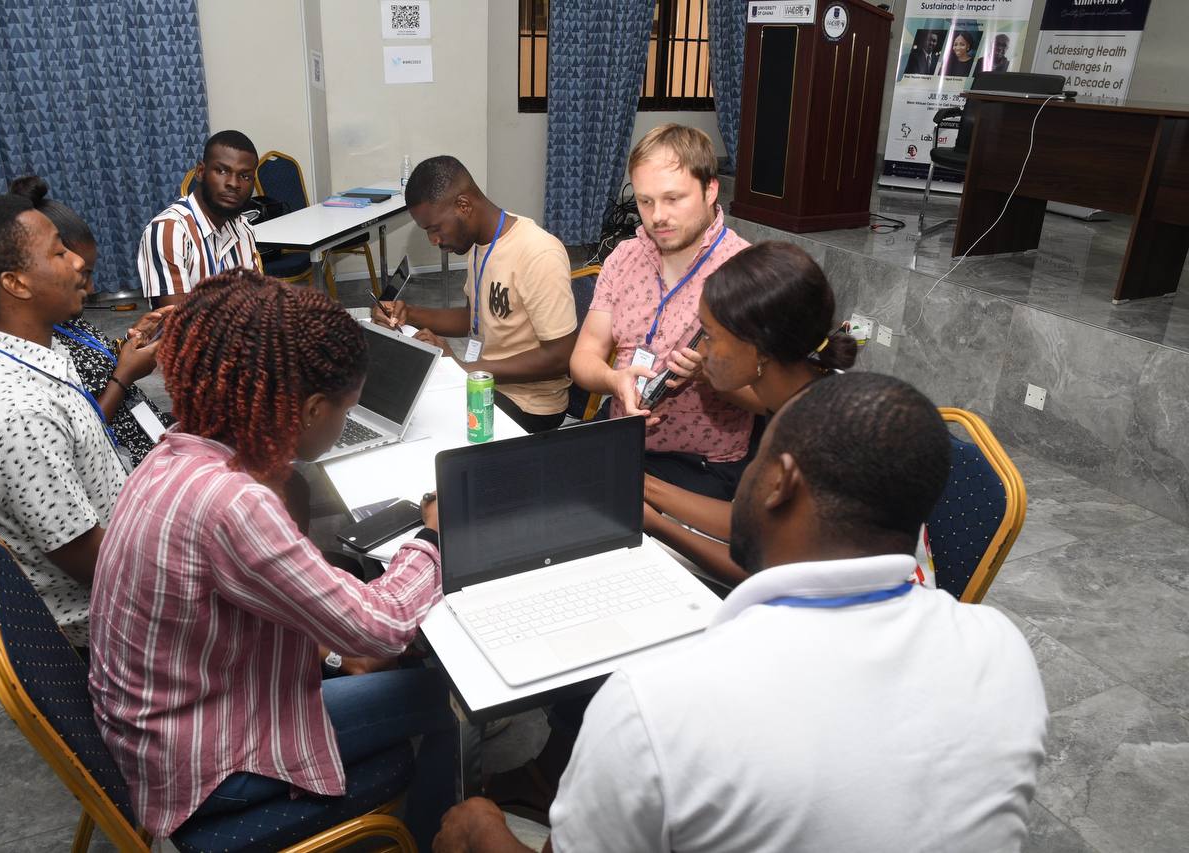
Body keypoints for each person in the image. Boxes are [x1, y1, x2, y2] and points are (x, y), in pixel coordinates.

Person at [433, 373, 1049, 853]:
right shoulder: (1002, 650)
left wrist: (482, 828)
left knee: (470, 822)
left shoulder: (655, 704)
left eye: (753, 460)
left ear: (777, 481)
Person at [89, 270, 455, 848]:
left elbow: (282, 578)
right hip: (203, 760)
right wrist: (433, 537)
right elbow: (380, 629)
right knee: (446, 699)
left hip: (155, 724)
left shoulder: (178, 451)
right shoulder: (233, 504)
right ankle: (436, 837)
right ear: (310, 411)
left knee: (374, 651)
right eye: (346, 409)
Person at [0, 196, 141, 648]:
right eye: (60, 252)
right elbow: (98, 565)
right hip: (120, 621)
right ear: (16, 283)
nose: (79, 260)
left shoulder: (20, 349)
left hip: (126, 536)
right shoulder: (16, 414)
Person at [643, 241, 858, 587]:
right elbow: (757, 520)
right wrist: (648, 488)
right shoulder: (804, 391)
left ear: (757, 348)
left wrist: (657, 526)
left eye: (709, 336)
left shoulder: (818, 435)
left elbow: (764, 569)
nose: (699, 350)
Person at [569, 123, 758, 500]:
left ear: (710, 190)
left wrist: (711, 376)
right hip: (623, 441)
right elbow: (584, 356)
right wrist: (613, 381)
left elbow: (771, 398)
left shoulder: (745, 270)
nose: (657, 217)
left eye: (673, 199)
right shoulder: (625, 257)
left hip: (703, 464)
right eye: (646, 201)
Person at [376, 155, 576, 433]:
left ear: (463, 205)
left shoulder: (538, 253)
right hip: (487, 382)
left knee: (425, 425)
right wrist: (408, 313)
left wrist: (463, 368)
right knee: (401, 396)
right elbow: (472, 318)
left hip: (530, 404)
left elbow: (560, 357)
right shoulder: (478, 246)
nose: (433, 240)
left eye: (435, 229)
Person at [10, 176, 174, 467]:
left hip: (147, 429)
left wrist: (131, 341)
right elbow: (81, 439)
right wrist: (124, 376)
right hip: (123, 459)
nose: (92, 288)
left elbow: (91, 364)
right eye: (83, 275)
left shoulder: (66, 318)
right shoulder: (36, 347)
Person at [137, 129, 261, 308]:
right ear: (201, 171)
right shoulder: (169, 231)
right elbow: (177, 325)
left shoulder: (244, 228)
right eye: (222, 171)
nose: (234, 184)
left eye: (244, 176)